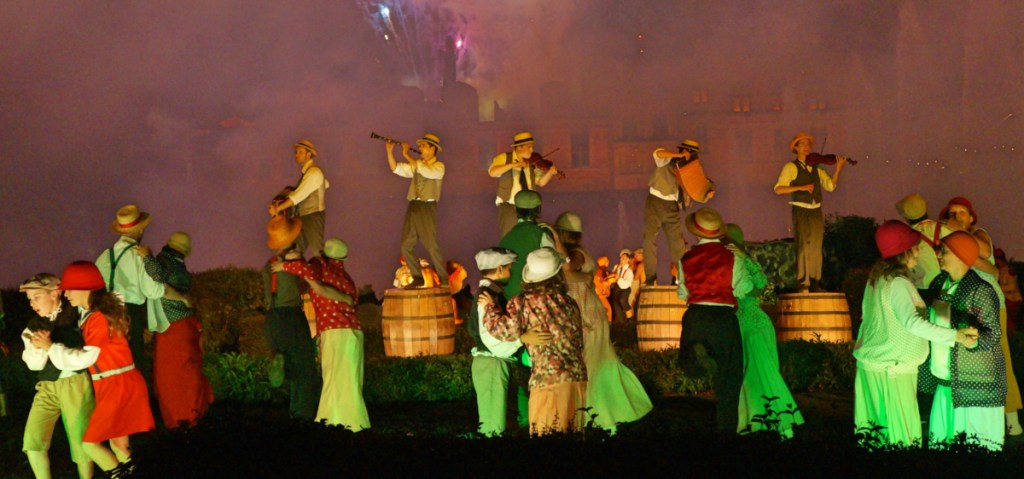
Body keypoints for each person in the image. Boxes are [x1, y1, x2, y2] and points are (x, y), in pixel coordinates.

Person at [851, 221, 975, 446]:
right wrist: (955, 336)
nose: (920, 251)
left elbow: (866, 320)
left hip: (874, 367)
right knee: (902, 439)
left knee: (874, 437)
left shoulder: (876, 280)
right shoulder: (898, 283)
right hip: (892, 370)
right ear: (904, 251)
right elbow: (912, 323)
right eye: (916, 246)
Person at [556, 213, 652, 433]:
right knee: (591, 364)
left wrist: (555, 241)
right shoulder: (569, 255)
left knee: (594, 364)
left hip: (588, 317)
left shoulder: (578, 255)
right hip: (582, 316)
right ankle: (595, 416)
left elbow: (569, 268)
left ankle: (599, 416)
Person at [56, 261, 155, 472]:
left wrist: (51, 348)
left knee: (90, 444)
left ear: (85, 287)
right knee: (119, 445)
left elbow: (86, 358)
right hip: (117, 383)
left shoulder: (98, 319)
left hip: (117, 386)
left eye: (69, 289)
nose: (65, 294)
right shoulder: (97, 314)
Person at [482, 248, 587, 435]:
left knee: (546, 435)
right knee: (574, 435)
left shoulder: (524, 302)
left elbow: (505, 331)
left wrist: (489, 307)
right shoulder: (570, 302)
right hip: (577, 378)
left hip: (548, 380)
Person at [939, 196, 1022, 435]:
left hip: (990, 303)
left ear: (972, 217)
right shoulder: (948, 242)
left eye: (962, 212)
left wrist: (961, 249)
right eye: (952, 212)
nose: (956, 217)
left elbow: (987, 260)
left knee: (999, 358)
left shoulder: (980, 234)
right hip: (964, 302)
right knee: (971, 363)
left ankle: (1012, 419)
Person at [275, 238, 370, 431]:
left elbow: (310, 276)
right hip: (353, 332)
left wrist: (284, 265)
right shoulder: (347, 278)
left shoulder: (320, 266)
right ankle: (352, 424)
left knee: (333, 379)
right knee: (350, 381)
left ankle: (334, 423)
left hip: (334, 331)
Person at [923, 232, 1006, 450]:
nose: (939, 255)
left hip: (972, 385)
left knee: (972, 447)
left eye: (945, 251)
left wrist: (974, 341)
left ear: (961, 256)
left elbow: (993, 334)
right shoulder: (939, 282)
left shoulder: (980, 290)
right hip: (943, 381)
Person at [676, 207, 753, 432]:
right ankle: (726, 429)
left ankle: (698, 358)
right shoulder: (731, 256)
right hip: (723, 317)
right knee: (729, 377)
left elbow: (683, 293)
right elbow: (744, 288)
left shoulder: (686, 258)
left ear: (696, 233)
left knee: (689, 362)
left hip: (696, 315)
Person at [724, 224, 804, 438]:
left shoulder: (740, 262)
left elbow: (759, 288)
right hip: (747, 324)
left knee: (763, 371)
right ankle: (757, 421)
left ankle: (781, 423)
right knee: (750, 374)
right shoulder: (739, 262)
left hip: (753, 325)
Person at [468, 247, 551, 436]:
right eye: (509, 268)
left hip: (496, 363)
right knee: (493, 426)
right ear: (499, 269)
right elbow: (490, 340)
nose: (511, 272)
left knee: (508, 419)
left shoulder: (491, 293)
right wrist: (521, 339)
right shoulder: (486, 296)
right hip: (492, 363)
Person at [20, 274, 96, 479]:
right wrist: (39, 348)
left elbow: (84, 356)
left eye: (36, 297)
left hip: (75, 383)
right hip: (46, 386)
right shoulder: (33, 326)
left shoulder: (77, 313)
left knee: (81, 442)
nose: (32, 303)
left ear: (55, 293)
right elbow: (34, 364)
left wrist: (50, 346)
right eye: (29, 299)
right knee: (33, 440)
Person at [138, 231, 214, 428]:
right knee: (188, 374)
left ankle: (179, 421)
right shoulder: (180, 265)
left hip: (172, 327)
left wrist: (146, 256)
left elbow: (158, 276)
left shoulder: (166, 260)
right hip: (186, 324)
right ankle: (195, 415)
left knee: (170, 377)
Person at [94, 204, 171, 387]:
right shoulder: (138, 255)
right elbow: (154, 291)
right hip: (130, 314)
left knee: (110, 369)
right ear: (141, 228)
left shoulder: (104, 256)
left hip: (103, 315)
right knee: (133, 367)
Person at [773, 133, 847, 292]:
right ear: (796, 148)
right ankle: (803, 283)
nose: (807, 147)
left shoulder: (817, 167)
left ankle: (815, 282)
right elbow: (779, 189)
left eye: (808, 144)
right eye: (803, 144)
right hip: (801, 209)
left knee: (815, 247)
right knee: (803, 247)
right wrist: (800, 187)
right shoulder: (791, 167)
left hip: (815, 210)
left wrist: (838, 169)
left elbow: (830, 186)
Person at [262, 245, 320, 420]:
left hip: (272, 319)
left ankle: (280, 359)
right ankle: (301, 417)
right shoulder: (291, 264)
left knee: (287, 357)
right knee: (304, 369)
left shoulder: (268, 265)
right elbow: (312, 276)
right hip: (292, 316)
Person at [386, 134, 447, 289]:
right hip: (413, 205)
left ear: (433, 149)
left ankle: (443, 278)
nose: (420, 149)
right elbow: (396, 168)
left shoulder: (439, 166)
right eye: (420, 146)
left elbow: (425, 170)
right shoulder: (418, 164)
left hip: (427, 207)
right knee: (405, 245)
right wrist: (389, 152)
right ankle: (417, 277)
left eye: (423, 146)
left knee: (431, 245)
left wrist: (406, 154)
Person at [642, 140, 698, 285]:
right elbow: (657, 153)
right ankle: (650, 276)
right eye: (688, 152)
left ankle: (683, 278)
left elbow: (700, 188)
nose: (688, 156)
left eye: (691, 154)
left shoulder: (689, 170)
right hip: (656, 200)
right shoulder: (668, 158)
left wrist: (707, 192)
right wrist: (677, 155)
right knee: (649, 239)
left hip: (672, 206)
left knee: (677, 244)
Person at [489, 132, 560, 235]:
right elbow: (493, 172)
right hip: (510, 204)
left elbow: (540, 182)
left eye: (532, 147)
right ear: (519, 147)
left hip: (529, 206)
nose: (532, 150)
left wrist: (550, 173)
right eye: (529, 147)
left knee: (530, 235)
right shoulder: (504, 158)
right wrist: (514, 164)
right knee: (510, 234)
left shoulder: (532, 162)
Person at [267, 139, 329, 256]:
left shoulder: (313, 173)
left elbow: (297, 197)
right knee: (296, 249)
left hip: (313, 215)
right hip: (304, 216)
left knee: (318, 251)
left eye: (300, 152)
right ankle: (294, 270)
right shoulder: (309, 173)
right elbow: (326, 184)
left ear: (308, 154)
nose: (297, 155)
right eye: (296, 152)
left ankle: (325, 273)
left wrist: (278, 209)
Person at [498, 190, 555, 299]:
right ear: (538, 209)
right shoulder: (542, 233)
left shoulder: (506, 239)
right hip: (537, 298)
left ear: (515, 209)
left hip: (511, 300)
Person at [894, 193, 949, 292]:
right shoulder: (945, 228)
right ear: (926, 209)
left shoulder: (907, 240)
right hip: (951, 286)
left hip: (925, 289)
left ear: (906, 217)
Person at [609, 249, 634, 322]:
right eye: (621, 258)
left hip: (625, 289)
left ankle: (630, 319)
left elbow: (626, 284)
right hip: (617, 288)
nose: (621, 259)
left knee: (623, 300)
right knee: (616, 305)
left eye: (623, 258)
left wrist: (619, 278)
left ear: (628, 259)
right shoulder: (617, 267)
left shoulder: (629, 271)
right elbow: (612, 275)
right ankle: (621, 323)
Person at [593, 256, 613, 322]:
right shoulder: (601, 271)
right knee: (608, 309)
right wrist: (609, 282)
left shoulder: (600, 271)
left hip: (600, 294)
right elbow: (602, 281)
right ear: (605, 263)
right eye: (607, 261)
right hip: (600, 295)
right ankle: (609, 324)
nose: (608, 263)